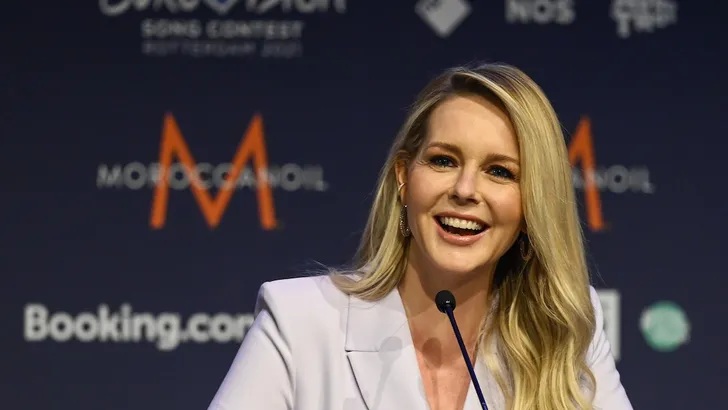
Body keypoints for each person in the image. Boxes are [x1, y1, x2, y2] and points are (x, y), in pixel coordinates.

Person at [206, 63, 633, 410]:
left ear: (530, 207)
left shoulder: (564, 330)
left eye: (500, 171)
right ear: (404, 178)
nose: (465, 190)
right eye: (444, 161)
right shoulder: (300, 322)